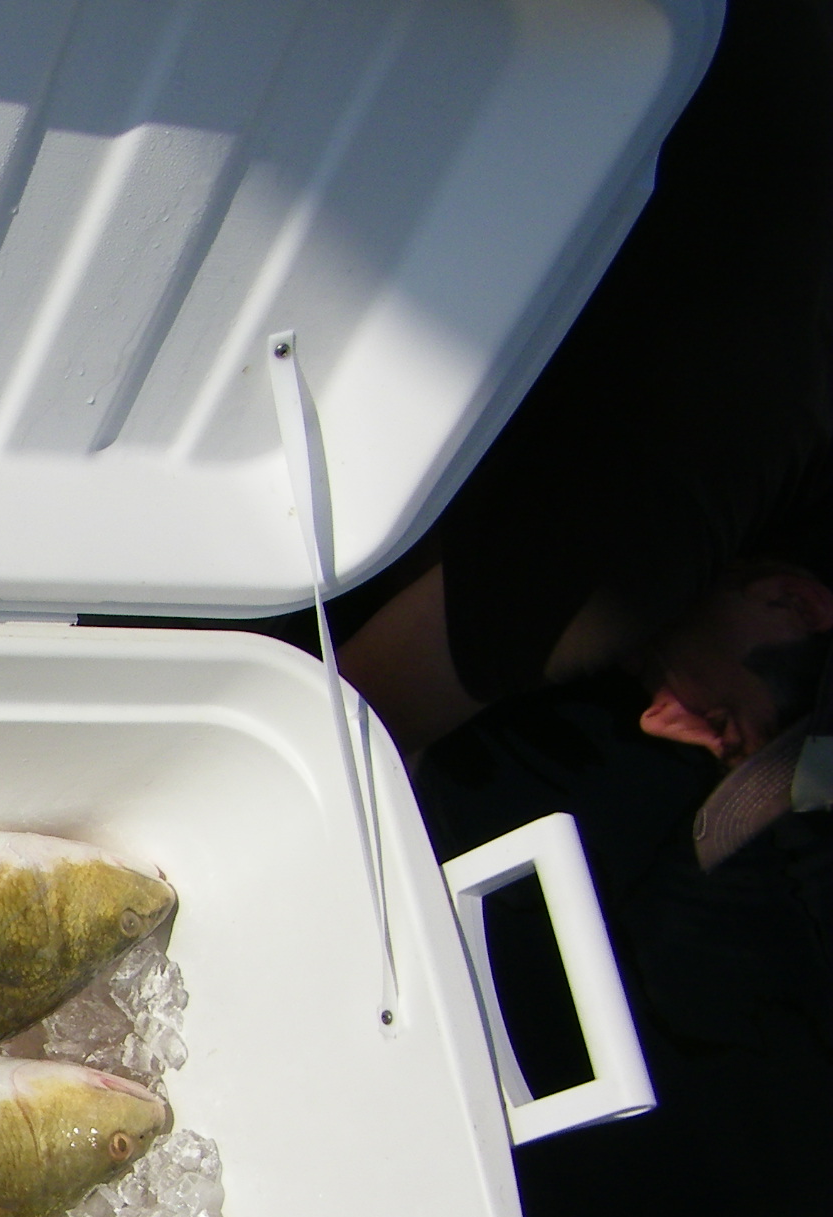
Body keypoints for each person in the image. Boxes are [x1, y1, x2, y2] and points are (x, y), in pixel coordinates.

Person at [335, 0, 833, 870]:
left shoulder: (791, 430)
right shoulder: (648, 548)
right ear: (796, 605)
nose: (656, 722)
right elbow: (341, 725)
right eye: (720, 720)